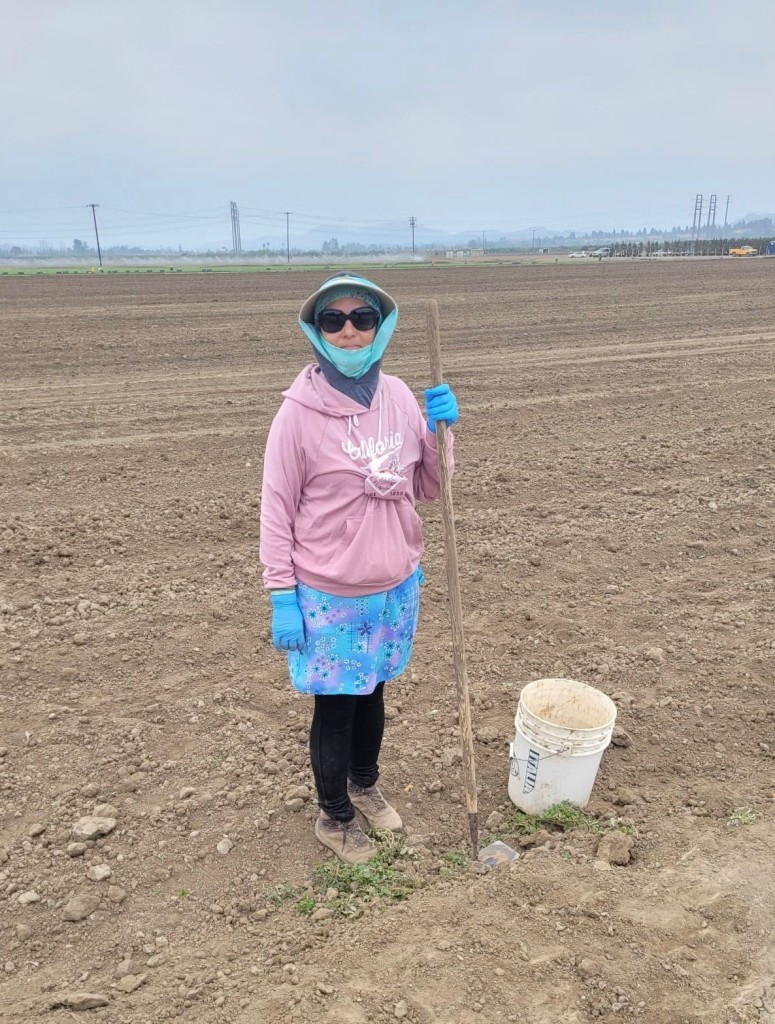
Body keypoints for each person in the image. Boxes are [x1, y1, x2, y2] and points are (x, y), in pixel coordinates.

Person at [259, 273, 459, 864]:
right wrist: (281, 595)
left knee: (374, 693)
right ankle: (334, 815)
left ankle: (363, 785)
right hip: (330, 592)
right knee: (337, 705)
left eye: (362, 318)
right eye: (333, 320)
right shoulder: (296, 417)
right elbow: (276, 509)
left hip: (395, 583)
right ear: (315, 332)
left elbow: (428, 487)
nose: (349, 331)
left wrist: (439, 433)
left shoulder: (398, 395)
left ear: (381, 326)